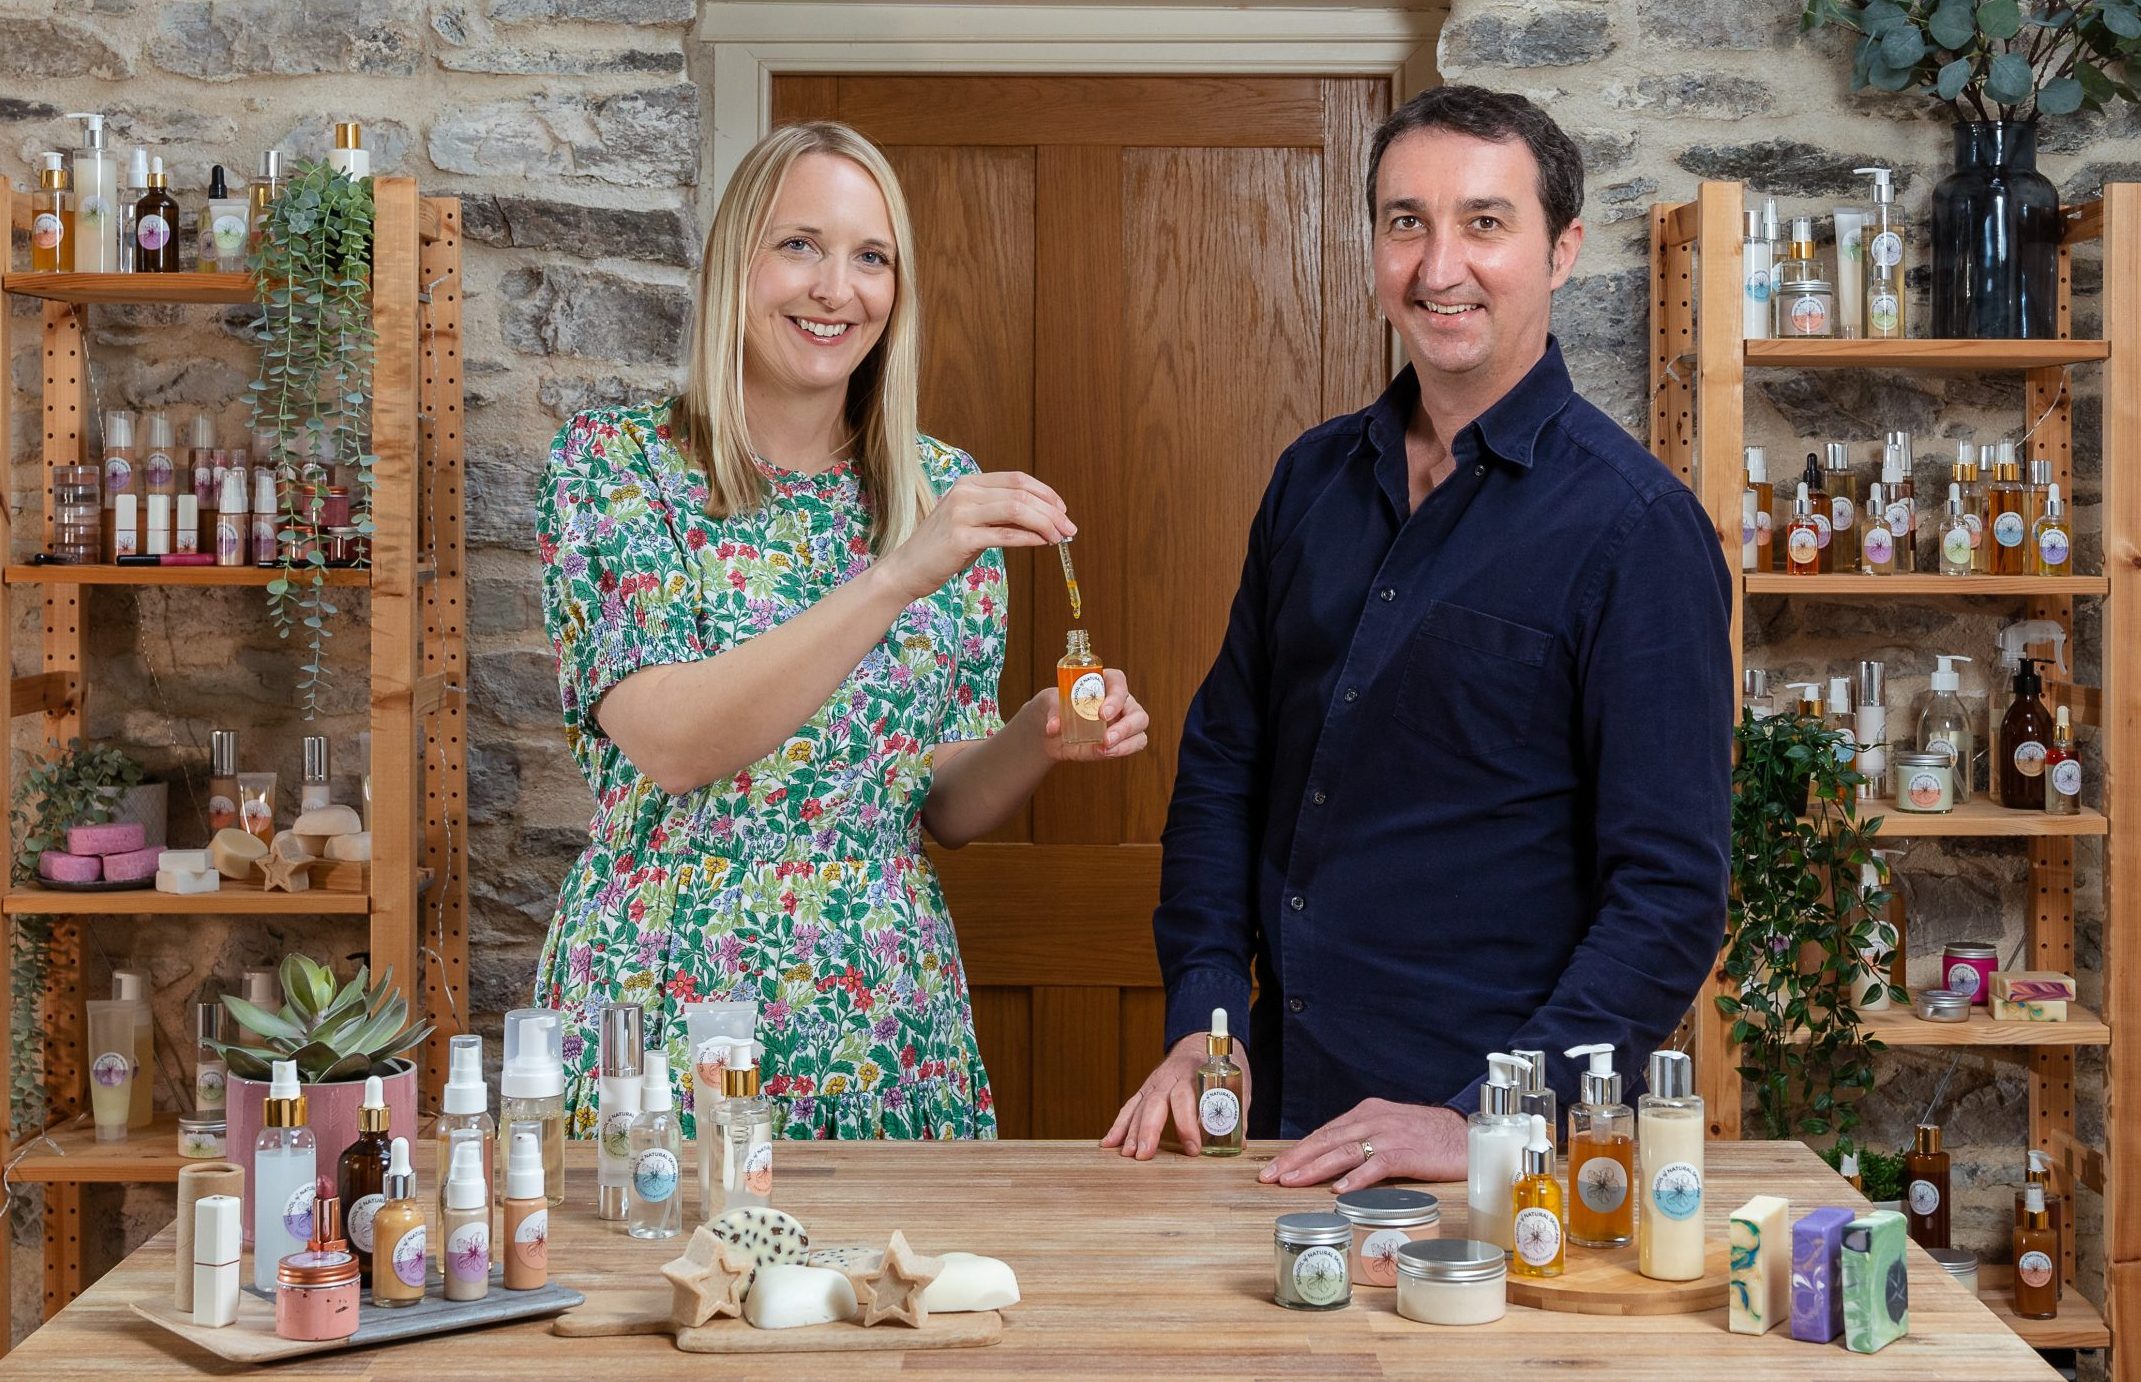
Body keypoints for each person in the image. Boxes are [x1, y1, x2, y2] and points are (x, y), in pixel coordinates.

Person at [1103, 85, 1731, 1189]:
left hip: (1489, 1167)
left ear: (1561, 249)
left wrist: (1484, 1119)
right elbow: (1222, 768)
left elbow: (1670, 891)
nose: (1439, 266)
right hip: (1266, 1128)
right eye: (1406, 223)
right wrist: (1206, 1021)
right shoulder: (1310, 481)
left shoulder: (1636, 530)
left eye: (1484, 223)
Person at [536, 121, 1150, 1141]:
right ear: (737, 261)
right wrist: (897, 574)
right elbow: (672, 741)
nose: (836, 288)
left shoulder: (939, 488)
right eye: (799, 245)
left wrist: (1034, 735)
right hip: (664, 1009)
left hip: (884, 1018)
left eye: (871, 257)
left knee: (900, 1296)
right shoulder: (615, 467)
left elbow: (941, 800)